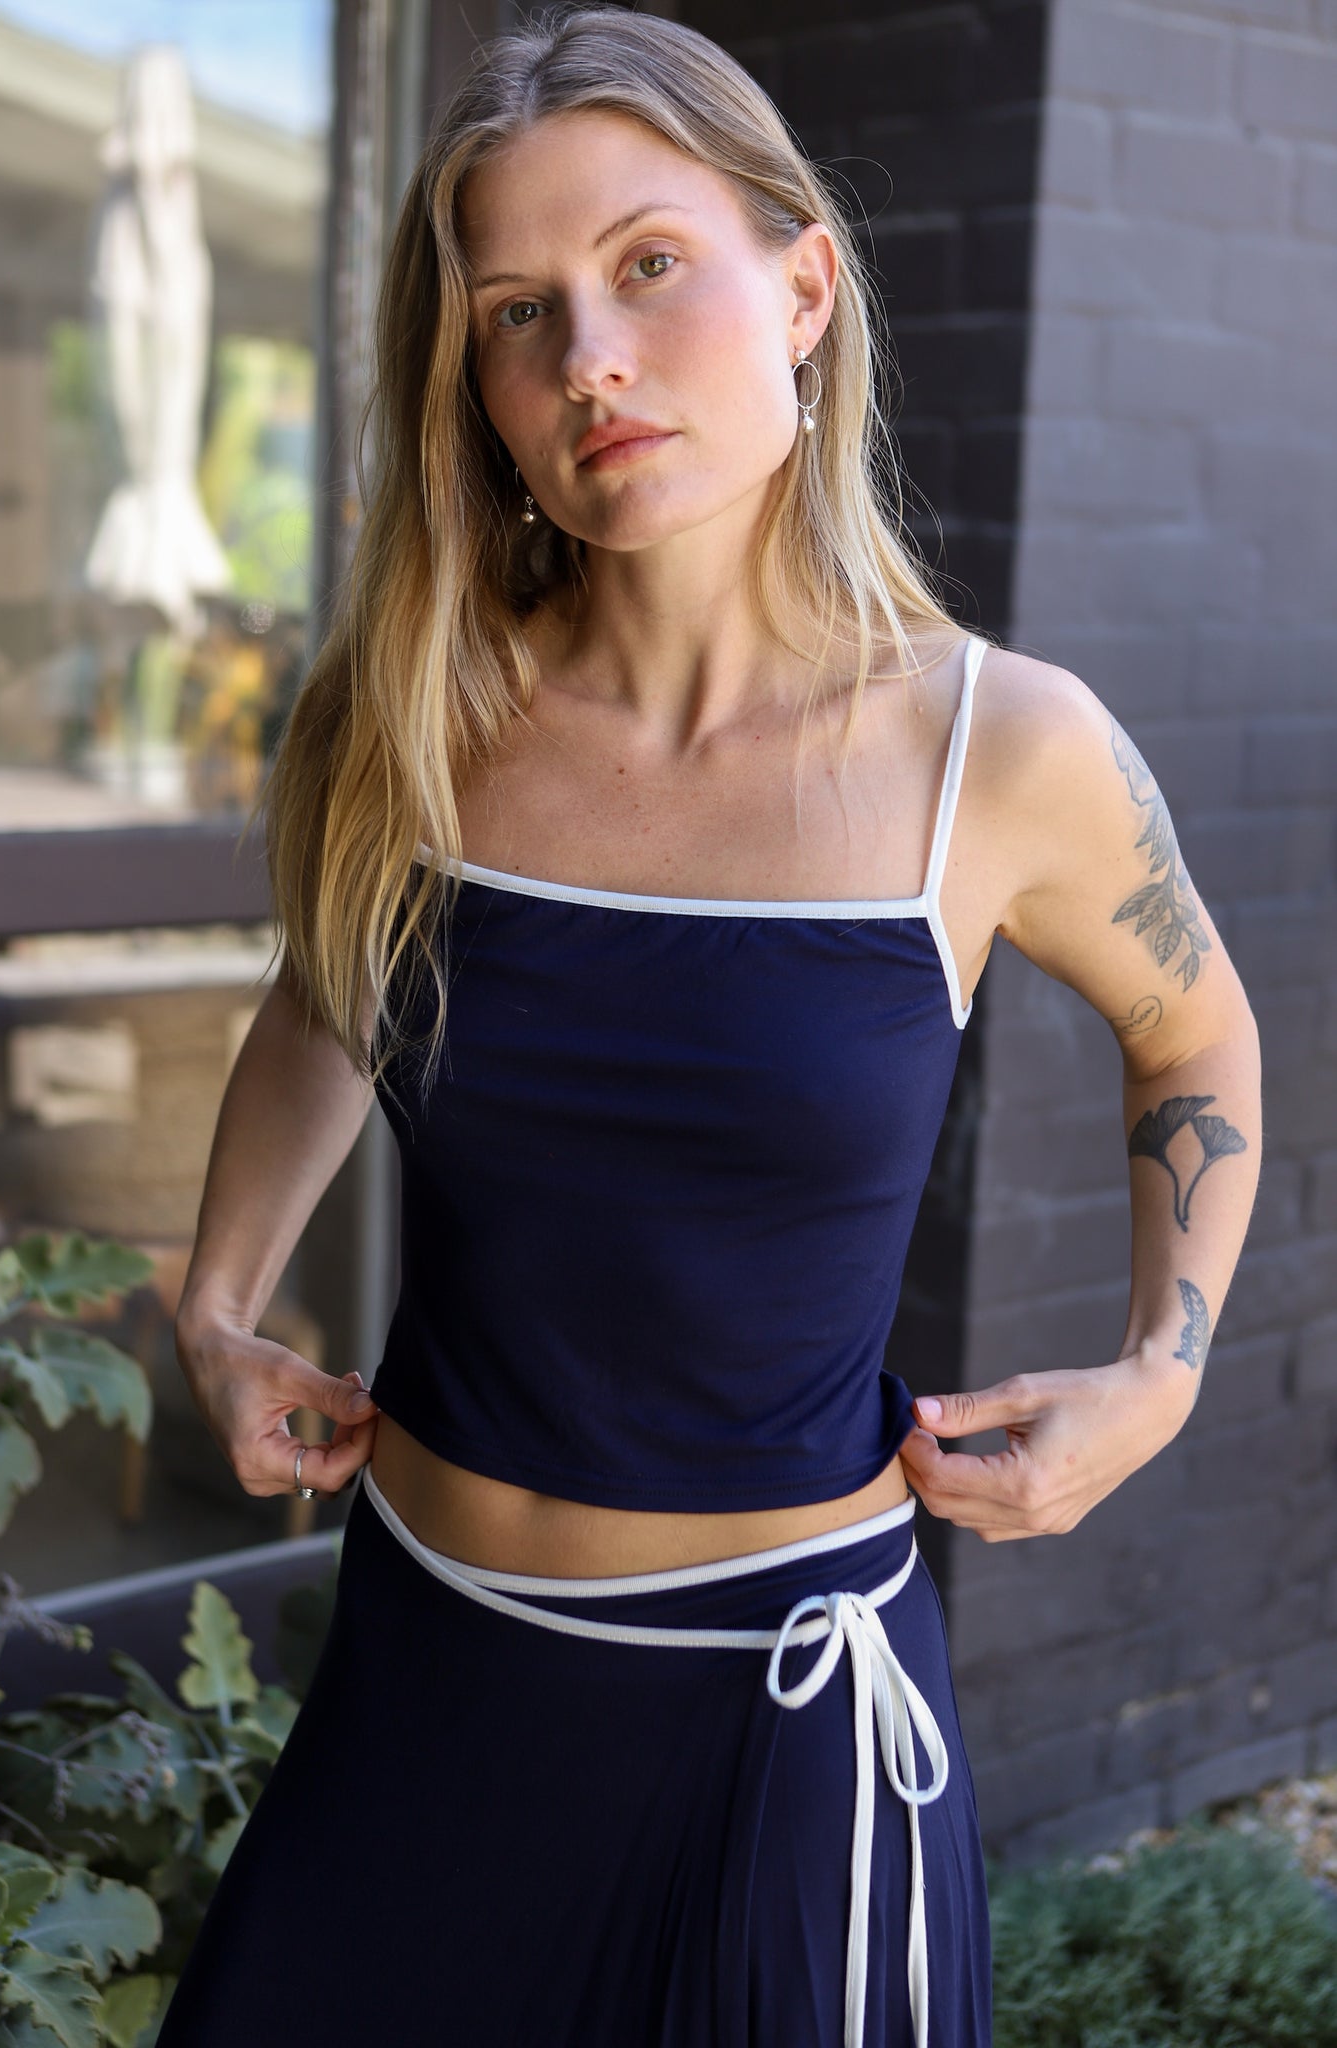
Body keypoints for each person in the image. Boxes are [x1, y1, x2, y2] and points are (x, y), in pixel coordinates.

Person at [156, 9, 1262, 2045]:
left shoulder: (996, 751)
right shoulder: (414, 713)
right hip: (425, 1682)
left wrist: (1159, 1371)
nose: (588, 356)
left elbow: (1193, 1033)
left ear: (803, 287)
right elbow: (330, 989)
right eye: (518, 311)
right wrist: (218, 1308)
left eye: (648, 264)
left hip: (770, 1723)